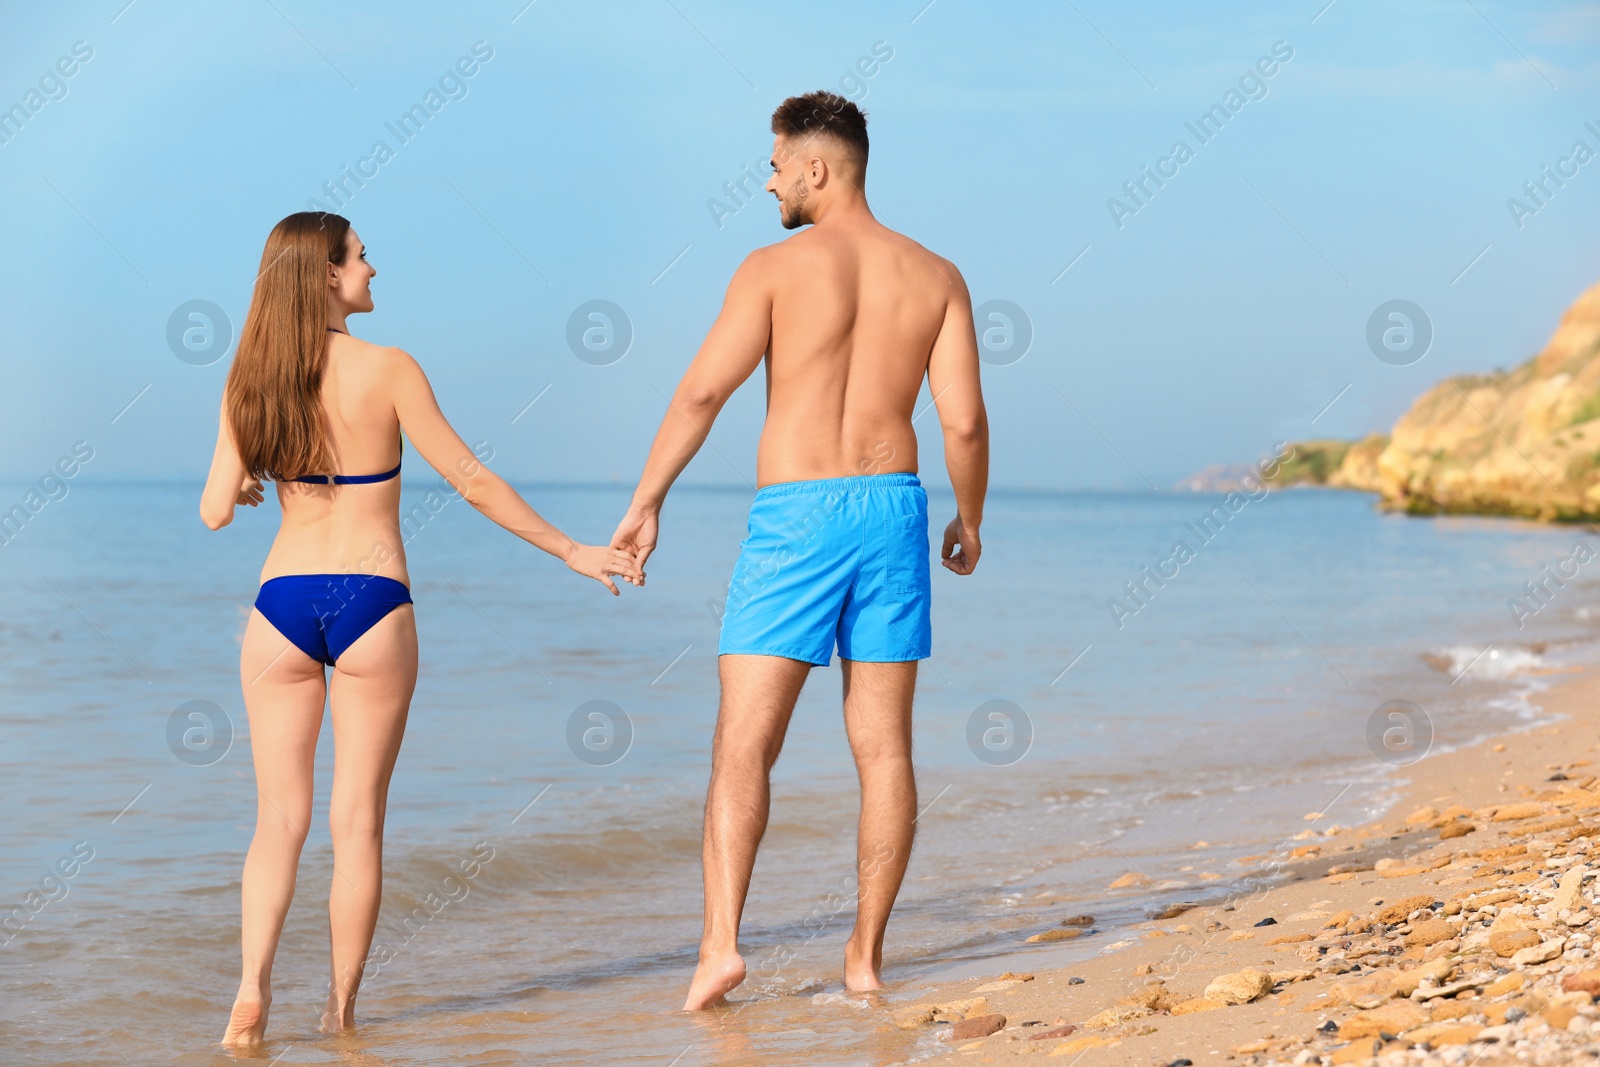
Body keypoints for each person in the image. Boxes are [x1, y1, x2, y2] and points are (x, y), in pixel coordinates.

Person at [201, 212, 641, 1045]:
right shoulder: (390, 367)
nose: (373, 268)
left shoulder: (248, 380)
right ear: (327, 275)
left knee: (277, 821)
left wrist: (257, 487)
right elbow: (472, 481)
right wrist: (572, 550)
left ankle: (250, 994)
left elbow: (215, 509)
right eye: (362, 256)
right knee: (357, 820)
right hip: (370, 598)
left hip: (280, 607)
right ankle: (339, 1014)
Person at [609, 91, 989, 1010]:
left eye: (775, 165)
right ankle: (863, 959)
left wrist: (645, 501)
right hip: (896, 506)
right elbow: (965, 420)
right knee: (884, 746)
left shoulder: (774, 268)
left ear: (816, 168)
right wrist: (969, 519)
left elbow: (703, 394)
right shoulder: (936, 275)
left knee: (744, 740)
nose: (769, 182)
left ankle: (720, 948)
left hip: (798, 515)